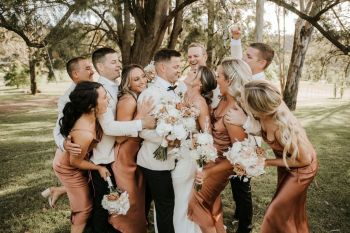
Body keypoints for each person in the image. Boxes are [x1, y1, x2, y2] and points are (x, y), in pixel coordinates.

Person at [88, 47, 155, 233]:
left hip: (117, 155)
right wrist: (142, 123)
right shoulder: (99, 91)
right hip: (105, 158)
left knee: (117, 204)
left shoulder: (115, 88)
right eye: (113, 62)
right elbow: (110, 128)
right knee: (103, 208)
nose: (119, 64)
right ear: (100, 67)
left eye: (118, 60)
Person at [241, 80, 318, 233]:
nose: (241, 101)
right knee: (290, 212)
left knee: (274, 212)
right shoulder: (260, 116)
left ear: (257, 106)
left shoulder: (283, 128)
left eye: (243, 99)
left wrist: (266, 162)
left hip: (302, 168)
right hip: (286, 164)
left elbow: (305, 160)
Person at [188, 58, 252, 233]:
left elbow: (238, 159)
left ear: (229, 80)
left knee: (196, 203)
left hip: (219, 169)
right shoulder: (223, 99)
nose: (215, 80)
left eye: (218, 76)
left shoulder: (234, 114)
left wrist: (208, 171)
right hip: (210, 160)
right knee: (212, 206)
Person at [53, 81, 110, 233]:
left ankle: (58, 190)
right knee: (84, 209)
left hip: (75, 160)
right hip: (68, 168)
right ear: (91, 107)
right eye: (104, 98)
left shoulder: (90, 113)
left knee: (88, 191)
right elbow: (75, 161)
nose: (108, 99)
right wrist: (98, 167)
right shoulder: (84, 132)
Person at [137, 49, 182, 233]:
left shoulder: (175, 90)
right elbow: (141, 130)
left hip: (170, 159)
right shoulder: (149, 95)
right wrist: (169, 138)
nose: (179, 70)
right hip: (154, 162)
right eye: (176, 66)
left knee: (155, 204)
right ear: (162, 67)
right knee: (165, 206)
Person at [42, 57, 95, 207]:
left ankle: (58, 190)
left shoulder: (95, 87)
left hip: (89, 150)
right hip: (72, 154)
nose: (93, 71)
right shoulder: (67, 99)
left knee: (91, 184)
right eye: (88, 68)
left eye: (91, 67)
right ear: (75, 74)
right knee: (83, 203)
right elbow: (58, 128)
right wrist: (64, 144)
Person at [172, 65, 217, 233]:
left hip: (188, 156)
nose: (189, 71)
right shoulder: (182, 95)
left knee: (182, 198)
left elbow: (206, 136)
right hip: (174, 152)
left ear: (199, 83)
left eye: (194, 72)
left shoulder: (199, 102)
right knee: (177, 197)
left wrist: (192, 142)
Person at [108, 64, 149, 233]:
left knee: (137, 199)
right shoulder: (128, 100)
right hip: (125, 156)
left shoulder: (139, 96)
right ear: (127, 82)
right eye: (136, 79)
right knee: (129, 200)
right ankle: (124, 229)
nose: (142, 81)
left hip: (135, 154)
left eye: (143, 76)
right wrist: (140, 118)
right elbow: (119, 136)